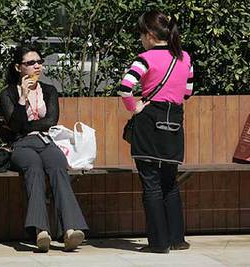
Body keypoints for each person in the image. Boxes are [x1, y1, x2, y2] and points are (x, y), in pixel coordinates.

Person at [0, 46, 89, 252]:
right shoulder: (8, 93)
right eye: (30, 63)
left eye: (39, 61)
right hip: (20, 145)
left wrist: (26, 126)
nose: (37, 65)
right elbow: (14, 127)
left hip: (46, 141)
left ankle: (70, 229)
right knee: (34, 167)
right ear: (18, 67)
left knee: (58, 164)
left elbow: (50, 121)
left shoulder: (49, 91)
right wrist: (22, 98)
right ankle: (41, 230)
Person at [117, 11, 194, 253]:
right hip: (174, 122)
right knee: (169, 182)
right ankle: (177, 239)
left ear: (150, 34)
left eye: (141, 33)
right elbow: (188, 92)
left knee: (151, 183)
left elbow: (124, 88)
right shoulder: (185, 57)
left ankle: (158, 244)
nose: (140, 38)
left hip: (149, 122)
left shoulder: (144, 58)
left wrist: (135, 107)